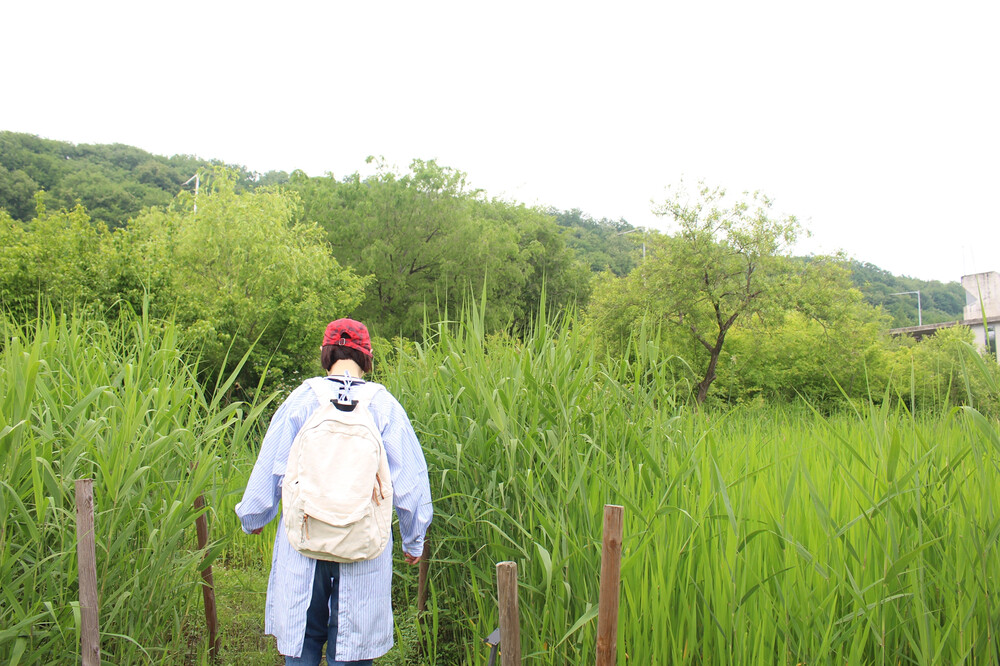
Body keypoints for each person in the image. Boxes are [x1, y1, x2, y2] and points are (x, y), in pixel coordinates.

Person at [235, 318, 433, 665]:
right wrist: (413, 540)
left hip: (305, 541)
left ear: (325, 354)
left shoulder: (303, 398)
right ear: (367, 357)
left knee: (303, 641)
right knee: (353, 648)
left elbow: (272, 464)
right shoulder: (383, 405)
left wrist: (254, 517)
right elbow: (410, 481)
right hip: (363, 546)